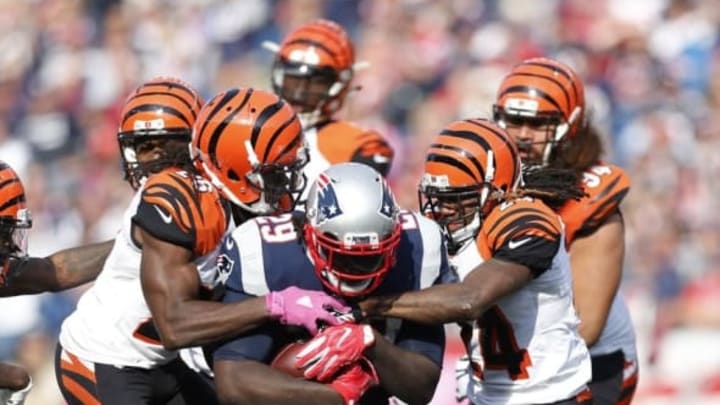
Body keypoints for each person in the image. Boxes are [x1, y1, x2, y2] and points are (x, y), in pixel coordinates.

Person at [55, 81, 347, 405]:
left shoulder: (239, 199)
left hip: (166, 362)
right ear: (237, 168)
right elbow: (175, 324)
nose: (286, 185)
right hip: (105, 359)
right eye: (275, 174)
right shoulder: (180, 201)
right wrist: (276, 305)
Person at [305, 119, 593, 405]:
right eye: (438, 199)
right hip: (488, 397)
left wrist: (366, 308)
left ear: (497, 190)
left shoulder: (527, 220)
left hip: (553, 397)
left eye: (459, 199)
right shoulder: (455, 232)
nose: (443, 210)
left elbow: (470, 300)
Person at [208, 162, 453, 405]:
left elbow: (421, 388)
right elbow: (233, 382)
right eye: (344, 256)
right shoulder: (265, 255)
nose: (357, 269)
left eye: (370, 256)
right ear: (308, 233)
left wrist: (370, 342)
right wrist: (340, 396)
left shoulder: (418, 250)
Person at [493, 57, 638, 405]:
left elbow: (585, 328)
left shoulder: (589, 205)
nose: (524, 134)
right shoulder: (491, 180)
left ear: (568, 125)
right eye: (515, 120)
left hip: (590, 366)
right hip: (516, 358)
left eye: (539, 123)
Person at [267, 18, 395, 187]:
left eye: (314, 83)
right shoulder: (254, 128)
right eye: (293, 81)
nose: (299, 94)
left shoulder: (360, 144)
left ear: (342, 83)